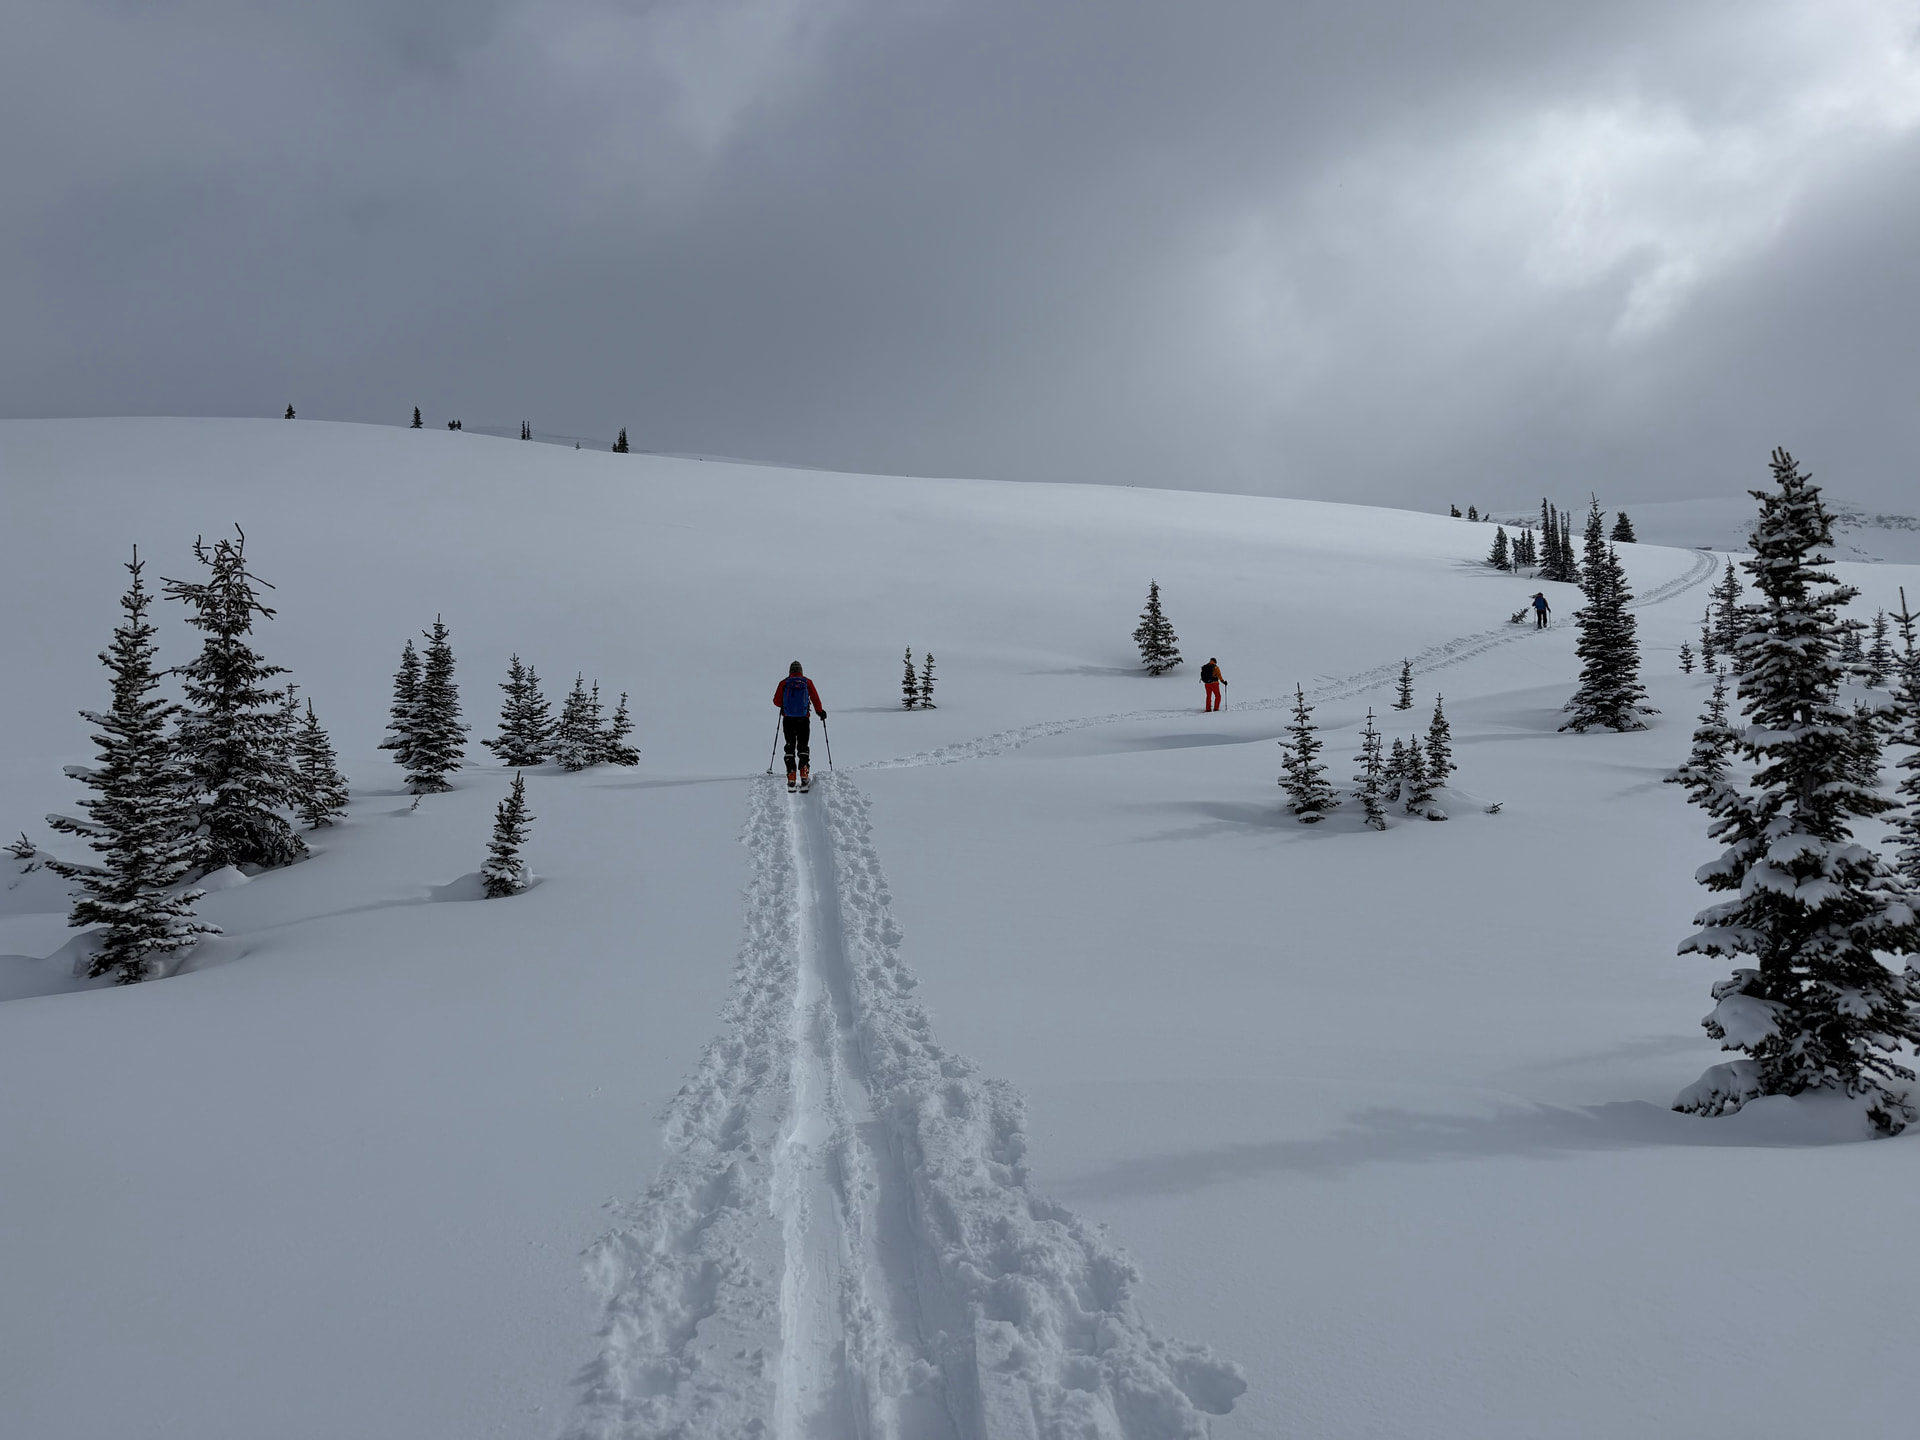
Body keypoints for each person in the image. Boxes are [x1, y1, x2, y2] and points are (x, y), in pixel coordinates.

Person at [773, 661, 826, 791]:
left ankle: (791, 775)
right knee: (803, 745)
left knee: (790, 745)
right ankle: (804, 773)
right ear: (801, 671)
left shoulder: (784, 682)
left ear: (790, 671)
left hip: (788, 719)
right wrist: (820, 712)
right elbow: (815, 698)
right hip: (803, 719)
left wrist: (785, 704)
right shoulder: (807, 682)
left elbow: (776, 701)